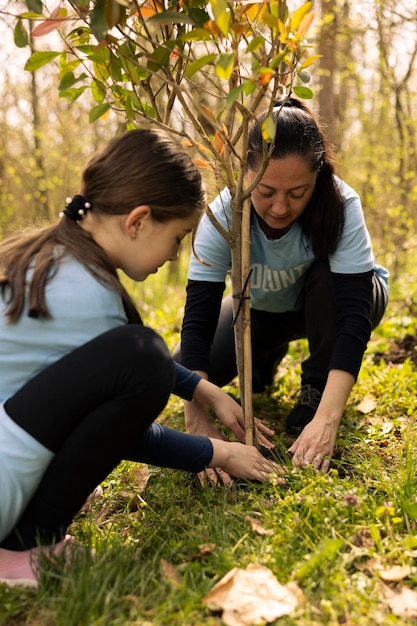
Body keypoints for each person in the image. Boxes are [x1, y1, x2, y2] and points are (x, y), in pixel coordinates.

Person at [0, 128, 282, 588]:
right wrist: (220, 453)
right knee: (145, 357)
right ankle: (22, 549)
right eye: (176, 238)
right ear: (138, 221)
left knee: (142, 358)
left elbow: (95, 374)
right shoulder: (87, 296)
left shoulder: (52, 260)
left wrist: (198, 385)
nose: (173, 256)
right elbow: (126, 430)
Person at [174, 96, 389, 481]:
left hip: (336, 303)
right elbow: (199, 317)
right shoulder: (223, 214)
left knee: (325, 282)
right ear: (247, 174)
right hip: (263, 308)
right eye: (267, 190)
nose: (279, 208)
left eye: (297, 193)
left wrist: (327, 420)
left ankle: (315, 387)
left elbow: (354, 319)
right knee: (185, 370)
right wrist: (198, 426)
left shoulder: (342, 206)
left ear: (317, 178)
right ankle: (264, 356)